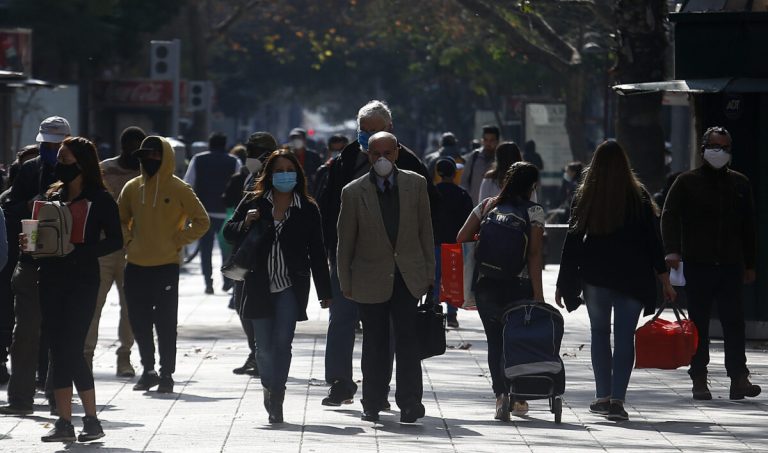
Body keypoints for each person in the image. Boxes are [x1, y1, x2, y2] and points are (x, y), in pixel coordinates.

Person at [319, 100, 435, 408]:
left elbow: (428, 220)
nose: (369, 138)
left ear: (392, 132)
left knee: (388, 332)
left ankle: (380, 391)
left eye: (376, 131)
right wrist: (334, 254)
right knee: (342, 319)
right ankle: (340, 382)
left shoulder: (410, 164)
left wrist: (426, 270)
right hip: (352, 258)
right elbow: (329, 208)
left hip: (396, 266)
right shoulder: (344, 161)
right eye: (364, 131)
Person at [556, 140, 675, 421]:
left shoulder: (586, 194)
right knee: (624, 338)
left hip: (595, 276)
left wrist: (564, 281)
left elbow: (572, 241)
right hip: (633, 277)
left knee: (599, 334)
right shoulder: (639, 196)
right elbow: (652, 241)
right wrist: (665, 280)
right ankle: (618, 401)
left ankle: (603, 396)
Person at [20, 137, 123, 442]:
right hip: (50, 276)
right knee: (56, 347)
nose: (59, 165)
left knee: (72, 348)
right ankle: (64, 422)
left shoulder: (101, 199)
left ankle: (91, 419)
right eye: (58, 160)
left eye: (65, 160)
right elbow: (38, 238)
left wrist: (82, 251)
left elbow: (116, 240)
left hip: (82, 279)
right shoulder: (52, 196)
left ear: (82, 164)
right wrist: (28, 246)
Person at [223, 149, 332, 424]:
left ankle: (278, 395)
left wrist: (325, 293)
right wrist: (245, 222)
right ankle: (269, 388)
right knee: (263, 348)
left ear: (297, 173)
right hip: (258, 284)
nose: (285, 175)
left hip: (289, 287)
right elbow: (228, 231)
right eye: (279, 170)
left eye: (289, 169)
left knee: (283, 343)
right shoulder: (254, 201)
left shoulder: (307, 208)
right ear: (269, 175)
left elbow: (318, 252)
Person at [661, 126, 760, 401]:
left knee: (734, 322)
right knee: (698, 324)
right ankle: (699, 378)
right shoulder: (686, 182)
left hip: (730, 264)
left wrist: (750, 263)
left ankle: (739, 377)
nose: (720, 152)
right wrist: (672, 251)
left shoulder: (740, 183)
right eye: (715, 146)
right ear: (704, 148)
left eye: (725, 147)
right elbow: (669, 216)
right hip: (698, 263)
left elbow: (748, 227)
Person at [119, 136, 209, 394]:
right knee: (139, 320)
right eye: (145, 155)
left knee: (166, 323)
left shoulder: (179, 188)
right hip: (135, 264)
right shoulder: (132, 187)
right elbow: (120, 217)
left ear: (166, 156)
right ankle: (148, 370)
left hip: (166, 265)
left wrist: (178, 240)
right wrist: (128, 240)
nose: (150, 159)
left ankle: (166, 373)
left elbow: (201, 221)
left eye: (156, 155)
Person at [457, 161, 544, 421]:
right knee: (517, 340)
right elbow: (535, 254)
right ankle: (518, 398)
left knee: (495, 342)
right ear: (532, 186)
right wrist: (538, 295)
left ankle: (500, 397)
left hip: (487, 285)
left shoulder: (487, 206)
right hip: (519, 286)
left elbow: (461, 236)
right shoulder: (535, 211)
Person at [0, 116, 70, 416]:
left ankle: (59, 399)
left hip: (66, 264)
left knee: (60, 336)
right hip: (30, 261)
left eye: (56, 145)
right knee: (24, 334)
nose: (50, 150)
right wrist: (33, 206)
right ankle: (19, 399)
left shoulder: (80, 175)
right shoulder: (30, 171)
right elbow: (11, 206)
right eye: (46, 144)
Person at [84, 126, 145, 377]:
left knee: (130, 307)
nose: (134, 153)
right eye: (130, 147)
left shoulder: (147, 173)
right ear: (122, 146)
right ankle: (86, 357)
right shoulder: (105, 169)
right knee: (93, 305)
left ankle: (124, 357)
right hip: (104, 248)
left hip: (133, 249)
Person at [222, 132, 278, 376]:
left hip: (267, 259)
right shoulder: (249, 178)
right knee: (241, 306)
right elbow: (233, 224)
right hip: (244, 255)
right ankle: (254, 352)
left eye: (254, 153)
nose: (249, 157)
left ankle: (263, 353)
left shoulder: (277, 179)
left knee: (260, 309)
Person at [184, 132, 241, 294]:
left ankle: (208, 282)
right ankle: (227, 280)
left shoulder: (198, 159)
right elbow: (239, 186)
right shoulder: (233, 161)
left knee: (205, 249)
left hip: (204, 214)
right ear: (225, 145)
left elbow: (188, 184)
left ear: (210, 144)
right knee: (227, 250)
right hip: (227, 214)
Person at [432, 158, 473, 328]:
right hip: (455, 244)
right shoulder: (462, 195)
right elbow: (469, 219)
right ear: (454, 173)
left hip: (434, 242)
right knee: (452, 279)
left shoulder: (431, 193)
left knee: (435, 278)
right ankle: (452, 315)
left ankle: (434, 308)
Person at [461, 125, 500, 204]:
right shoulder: (474, 156)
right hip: (474, 207)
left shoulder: (501, 159)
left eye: (491, 140)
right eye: (485, 140)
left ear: (497, 141)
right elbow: (464, 181)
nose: (488, 143)